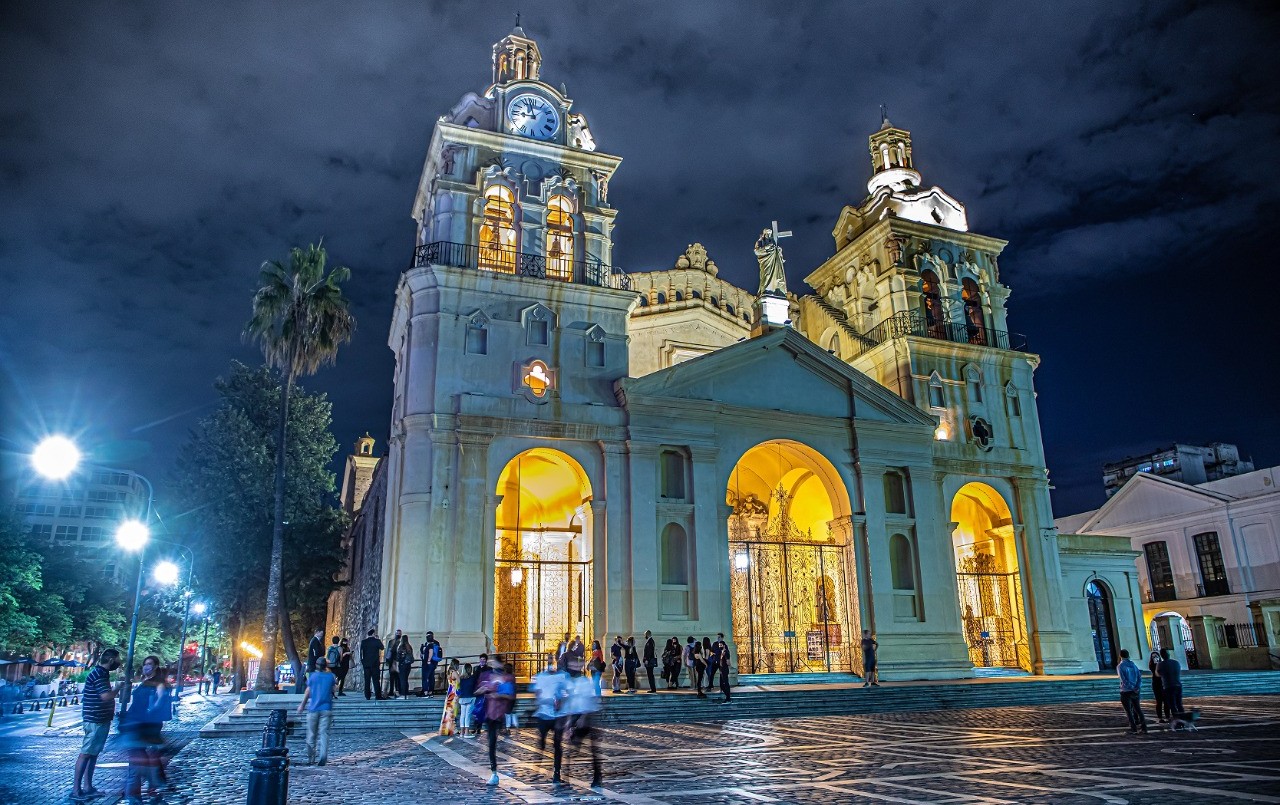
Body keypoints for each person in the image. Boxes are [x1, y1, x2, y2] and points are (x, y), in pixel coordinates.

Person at [72, 648, 121, 802]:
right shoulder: (99, 674)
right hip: (95, 720)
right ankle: (76, 790)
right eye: (118, 659)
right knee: (86, 753)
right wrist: (118, 688)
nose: (119, 662)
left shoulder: (101, 673)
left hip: (100, 719)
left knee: (93, 754)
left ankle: (88, 787)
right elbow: (105, 696)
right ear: (112, 659)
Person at [122, 655, 171, 802]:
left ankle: (142, 789)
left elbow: (160, 699)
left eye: (149, 664)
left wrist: (150, 712)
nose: (146, 667)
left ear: (155, 666)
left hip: (147, 723)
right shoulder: (144, 682)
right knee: (144, 756)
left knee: (142, 756)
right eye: (144, 664)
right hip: (137, 722)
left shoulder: (158, 682)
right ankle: (151, 785)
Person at [475, 656, 516, 785]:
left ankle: (495, 772)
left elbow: (511, 696)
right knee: (491, 743)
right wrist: (482, 690)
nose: (494, 665)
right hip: (489, 713)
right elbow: (476, 691)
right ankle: (494, 772)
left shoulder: (507, 678)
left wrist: (498, 695)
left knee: (493, 741)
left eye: (496, 662)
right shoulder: (487, 676)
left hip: (499, 714)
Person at [563, 658, 603, 788]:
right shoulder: (571, 682)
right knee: (573, 747)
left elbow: (587, 701)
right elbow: (571, 702)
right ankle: (566, 776)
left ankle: (597, 776)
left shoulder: (584, 682)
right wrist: (569, 722)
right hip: (577, 716)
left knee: (592, 750)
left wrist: (582, 719)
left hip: (586, 716)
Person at [533, 657, 570, 782]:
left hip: (558, 715)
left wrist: (562, 700)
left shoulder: (563, 677)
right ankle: (537, 768)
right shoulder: (541, 677)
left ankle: (557, 772)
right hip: (544, 714)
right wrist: (543, 700)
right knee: (542, 742)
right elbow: (537, 693)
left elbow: (568, 692)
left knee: (557, 744)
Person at [297, 656, 337, 765]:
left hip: (313, 708)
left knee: (311, 734)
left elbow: (307, 692)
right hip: (327, 708)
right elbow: (334, 690)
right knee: (324, 733)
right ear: (326, 666)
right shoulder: (331, 677)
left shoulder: (313, 677)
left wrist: (302, 705)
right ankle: (323, 755)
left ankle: (311, 757)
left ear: (316, 665)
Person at [1117, 649, 1148, 735]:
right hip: (1136, 690)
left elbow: (1124, 680)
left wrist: (1131, 687)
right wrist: (1137, 687)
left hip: (1126, 691)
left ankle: (1133, 728)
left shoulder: (1120, 666)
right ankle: (1144, 727)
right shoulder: (1133, 665)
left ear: (1120, 656)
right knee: (1138, 709)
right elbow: (1139, 677)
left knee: (1129, 711)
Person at [1157, 648, 1184, 717]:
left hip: (1168, 686)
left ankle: (1177, 720)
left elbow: (1157, 674)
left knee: (1172, 705)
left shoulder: (1160, 664)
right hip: (1178, 685)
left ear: (1161, 655)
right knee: (1179, 704)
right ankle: (1183, 719)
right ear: (1168, 654)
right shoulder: (1176, 662)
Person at [469, 653, 491, 737]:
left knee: (481, 710)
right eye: (481, 659)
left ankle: (479, 727)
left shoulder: (489, 669)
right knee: (477, 710)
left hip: (484, 691)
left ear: (486, 661)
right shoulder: (476, 668)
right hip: (477, 692)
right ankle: (476, 727)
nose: (482, 661)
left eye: (484, 660)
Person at [359, 628, 384, 700]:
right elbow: (382, 648)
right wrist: (378, 639)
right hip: (375, 664)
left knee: (367, 680)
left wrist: (363, 662)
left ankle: (367, 695)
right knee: (376, 680)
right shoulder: (377, 641)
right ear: (373, 634)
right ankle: (378, 695)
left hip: (366, 664)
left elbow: (361, 653)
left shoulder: (364, 642)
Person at [439, 658, 461, 736]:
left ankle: (449, 728)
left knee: (449, 711)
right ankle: (454, 729)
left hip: (450, 692)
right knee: (453, 711)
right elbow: (459, 682)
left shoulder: (449, 672)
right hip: (454, 693)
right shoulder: (454, 672)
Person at [456, 663, 476, 735]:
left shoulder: (460, 678)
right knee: (468, 715)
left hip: (462, 697)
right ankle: (467, 732)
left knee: (462, 715)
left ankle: (461, 731)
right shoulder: (472, 678)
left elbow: (458, 687)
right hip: (471, 697)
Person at [420, 631, 442, 697]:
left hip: (428, 663)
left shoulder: (430, 644)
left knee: (426, 677)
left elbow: (431, 652)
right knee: (431, 677)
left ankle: (426, 691)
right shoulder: (435, 643)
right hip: (433, 663)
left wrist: (428, 660)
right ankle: (430, 691)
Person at [1148, 649, 1167, 722]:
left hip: (1164, 683)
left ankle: (1167, 716)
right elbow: (1156, 673)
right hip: (1156, 684)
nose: (1155, 658)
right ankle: (1160, 717)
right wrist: (1156, 664)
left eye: (1156, 656)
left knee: (1166, 701)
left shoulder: (1162, 664)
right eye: (1153, 657)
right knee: (1159, 702)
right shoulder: (1152, 666)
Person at [384, 629, 402, 697]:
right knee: (392, 677)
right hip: (392, 661)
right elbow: (388, 651)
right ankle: (392, 690)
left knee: (397, 677)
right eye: (397, 633)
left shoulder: (398, 642)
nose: (398, 634)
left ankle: (396, 690)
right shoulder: (392, 642)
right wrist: (387, 660)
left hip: (396, 662)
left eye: (399, 633)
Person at [716, 637, 732, 704]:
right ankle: (727, 696)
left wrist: (727, 666)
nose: (720, 646)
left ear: (724, 645)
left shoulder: (726, 652)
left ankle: (728, 698)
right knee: (722, 684)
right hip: (721, 669)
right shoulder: (721, 652)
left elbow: (728, 662)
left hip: (725, 669)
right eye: (719, 645)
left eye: (721, 645)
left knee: (726, 683)